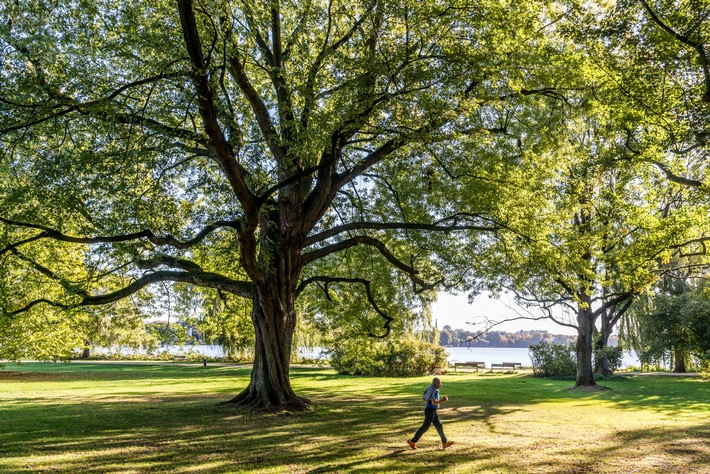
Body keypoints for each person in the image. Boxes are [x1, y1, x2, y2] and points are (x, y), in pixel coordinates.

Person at [407, 377, 455, 450]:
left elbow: (423, 398)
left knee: (439, 425)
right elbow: (434, 402)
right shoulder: (435, 390)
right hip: (430, 411)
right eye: (439, 383)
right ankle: (412, 441)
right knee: (425, 427)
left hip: (431, 410)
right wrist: (443, 400)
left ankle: (444, 443)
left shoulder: (429, 388)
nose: (441, 384)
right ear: (435, 383)